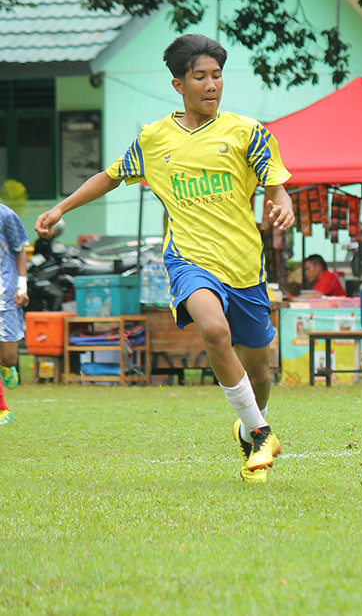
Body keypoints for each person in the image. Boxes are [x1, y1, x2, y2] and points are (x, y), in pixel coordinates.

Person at [35, 34, 294, 482]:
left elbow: (275, 182)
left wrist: (282, 202)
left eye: (217, 76)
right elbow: (109, 176)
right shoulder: (155, 139)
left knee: (261, 369)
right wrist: (60, 208)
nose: (211, 85)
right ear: (179, 84)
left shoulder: (247, 132)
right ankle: (262, 431)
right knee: (214, 329)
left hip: (244, 267)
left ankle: (252, 424)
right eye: (200, 77)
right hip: (189, 260)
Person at [0, 200, 29, 424]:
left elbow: (20, 250)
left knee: (8, 358)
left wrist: (22, 285)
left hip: (6, 292)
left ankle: (6, 367)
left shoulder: (6, 215)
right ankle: (3, 409)